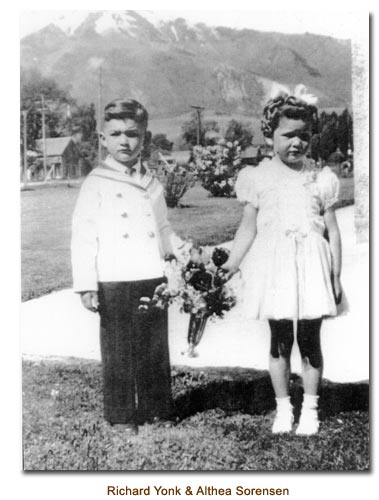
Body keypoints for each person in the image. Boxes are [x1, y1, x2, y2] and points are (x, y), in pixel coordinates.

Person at [223, 85, 343, 435]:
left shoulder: (321, 179)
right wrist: (230, 264)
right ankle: (282, 408)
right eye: (288, 135)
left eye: (304, 136)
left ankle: (310, 408)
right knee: (278, 340)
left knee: (309, 340)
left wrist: (335, 276)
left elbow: (332, 232)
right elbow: (247, 229)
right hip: (273, 267)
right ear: (270, 135)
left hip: (310, 266)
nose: (297, 143)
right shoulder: (257, 177)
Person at [71, 99, 178, 435]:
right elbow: (83, 235)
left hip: (151, 274)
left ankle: (156, 409)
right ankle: (120, 416)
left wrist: (175, 262)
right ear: (103, 139)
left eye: (132, 134)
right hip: (115, 278)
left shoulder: (152, 182)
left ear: (144, 138)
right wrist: (87, 283)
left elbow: (162, 228)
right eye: (115, 134)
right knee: (118, 350)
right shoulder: (97, 181)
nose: (124, 142)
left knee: (153, 347)